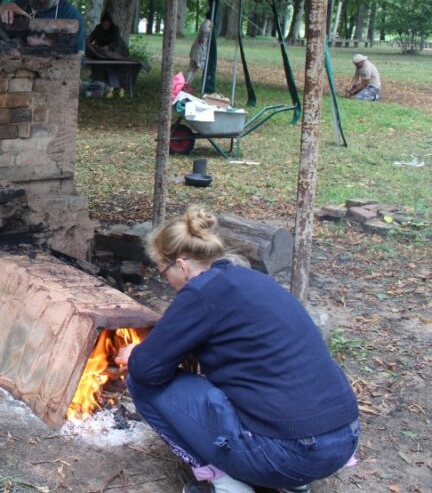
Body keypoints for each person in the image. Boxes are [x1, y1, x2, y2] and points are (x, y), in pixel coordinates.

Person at [115, 207, 359, 493]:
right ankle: (294, 484)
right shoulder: (254, 280)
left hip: (292, 452)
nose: (166, 281)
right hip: (344, 437)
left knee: (140, 383)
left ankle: (226, 484)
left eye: (163, 271)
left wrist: (134, 354)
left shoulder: (200, 293)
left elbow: (147, 369)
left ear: (181, 266)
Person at [184, 18, 213, 87]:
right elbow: (204, 30)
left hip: (200, 50)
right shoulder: (207, 22)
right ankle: (185, 83)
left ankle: (187, 84)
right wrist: (211, 28)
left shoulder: (208, 22)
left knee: (194, 69)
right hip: (198, 50)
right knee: (192, 67)